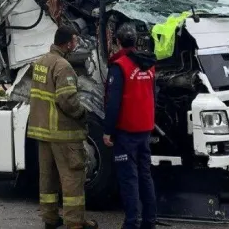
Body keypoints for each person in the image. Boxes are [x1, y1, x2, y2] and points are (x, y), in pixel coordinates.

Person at [27, 26, 99, 229]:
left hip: (43, 131)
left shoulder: (41, 62)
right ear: (67, 43)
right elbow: (67, 99)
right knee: (72, 179)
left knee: (47, 178)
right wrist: (82, 114)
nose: (76, 44)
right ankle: (75, 222)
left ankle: (50, 218)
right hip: (62, 132)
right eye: (75, 41)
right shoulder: (63, 66)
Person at [103, 23, 158, 229]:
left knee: (129, 179)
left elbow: (113, 101)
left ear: (117, 42)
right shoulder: (149, 64)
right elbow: (154, 94)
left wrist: (108, 131)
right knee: (145, 175)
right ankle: (149, 222)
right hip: (145, 128)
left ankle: (131, 223)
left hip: (127, 131)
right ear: (135, 41)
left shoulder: (120, 66)